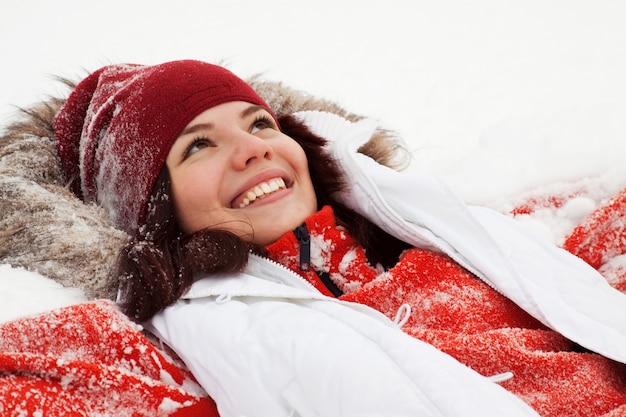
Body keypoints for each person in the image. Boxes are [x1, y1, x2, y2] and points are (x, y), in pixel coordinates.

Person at [41, 59, 626, 416]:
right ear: (152, 209)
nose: (255, 149)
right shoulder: (182, 349)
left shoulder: (446, 240)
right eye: (199, 144)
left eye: (260, 122)